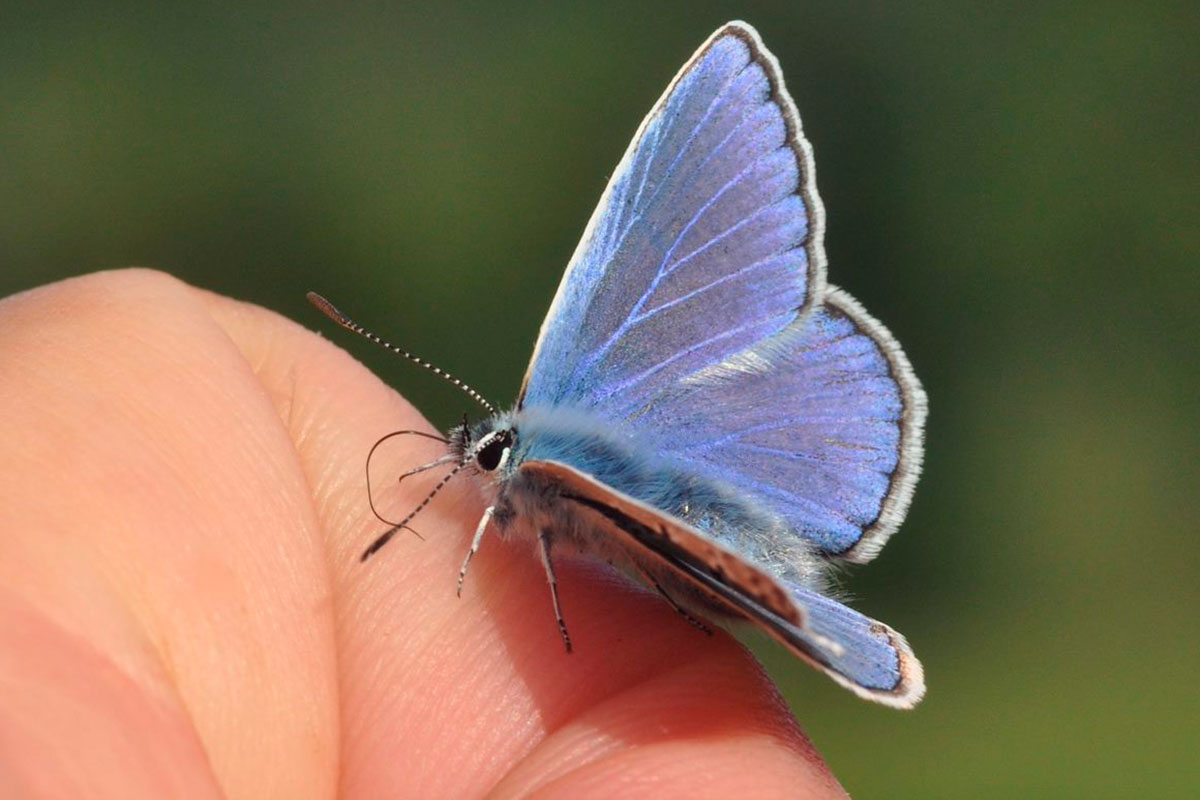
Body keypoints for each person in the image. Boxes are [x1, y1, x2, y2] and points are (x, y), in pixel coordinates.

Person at [0, 269, 848, 798]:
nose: (472, 458)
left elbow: (529, 526)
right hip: (743, 464)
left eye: (485, 455)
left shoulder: (531, 477)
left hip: (711, 538)